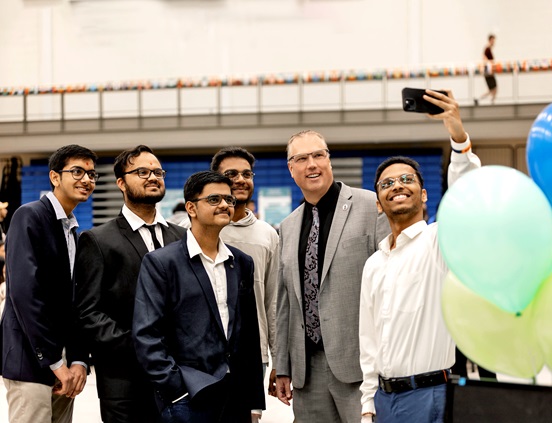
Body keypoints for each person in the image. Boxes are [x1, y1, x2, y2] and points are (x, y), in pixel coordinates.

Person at [359, 89, 482, 422]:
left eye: (406, 179)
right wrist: (368, 404)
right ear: (378, 202)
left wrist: (458, 136)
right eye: (387, 184)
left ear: (424, 194)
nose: (397, 186)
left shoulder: (440, 241)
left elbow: (465, 195)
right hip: (383, 400)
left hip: (432, 396)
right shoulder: (374, 263)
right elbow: (368, 340)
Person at [275, 130, 390, 422]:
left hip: (361, 367)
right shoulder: (287, 227)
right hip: (307, 371)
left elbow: (391, 283)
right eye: (301, 158)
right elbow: (286, 302)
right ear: (291, 169)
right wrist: (283, 366)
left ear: (329, 160)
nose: (311, 164)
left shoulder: (370, 206)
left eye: (318, 155)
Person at [132, 170, 265, 423]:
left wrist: (254, 399)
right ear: (191, 208)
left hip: (235, 397)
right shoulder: (161, 263)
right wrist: (175, 389)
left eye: (229, 200)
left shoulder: (241, 262)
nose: (225, 205)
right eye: (214, 199)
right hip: (188, 397)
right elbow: (146, 333)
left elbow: (249, 335)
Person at [74, 145, 185, 423]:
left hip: (180, 379)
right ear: (121, 183)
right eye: (142, 172)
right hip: (124, 382)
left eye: (158, 172)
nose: (153, 177)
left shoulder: (184, 238)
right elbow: (89, 312)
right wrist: (143, 346)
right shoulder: (98, 240)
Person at [0, 144, 98, 423]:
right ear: (55, 177)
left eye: (91, 175)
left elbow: (78, 301)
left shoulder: (74, 231)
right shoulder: (29, 216)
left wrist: (79, 360)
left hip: (65, 364)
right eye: (77, 172)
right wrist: (55, 363)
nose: (87, 180)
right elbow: (24, 294)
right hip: (30, 360)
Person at [210, 146, 280, 395]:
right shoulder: (197, 229)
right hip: (203, 353)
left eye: (246, 174)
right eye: (231, 174)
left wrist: (278, 359)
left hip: (253, 352)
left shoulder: (268, 234)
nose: (240, 179)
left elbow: (273, 301)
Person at [475, 34, 497, 105]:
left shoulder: (488, 49)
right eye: (493, 40)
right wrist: (490, 63)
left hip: (489, 71)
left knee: (493, 89)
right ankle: (481, 99)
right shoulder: (487, 49)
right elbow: (484, 58)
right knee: (493, 89)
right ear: (490, 40)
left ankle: (489, 101)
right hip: (488, 72)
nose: (494, 42)